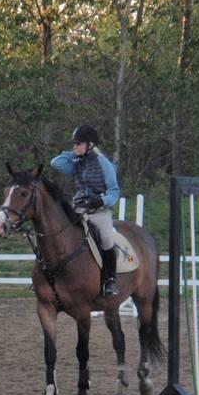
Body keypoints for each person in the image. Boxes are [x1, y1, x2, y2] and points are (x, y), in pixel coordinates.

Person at [50, 124, 121, 298]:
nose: (74, 147)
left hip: (99, 211)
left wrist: (102, 200)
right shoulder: (76, 162)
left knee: (105, 238)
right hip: (79, 208)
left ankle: (110, 280)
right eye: (74, 144)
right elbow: (55, 163)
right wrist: (73, 154)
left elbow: (115, 192)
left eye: (78, 144)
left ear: (89, 144)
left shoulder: (104, 164)